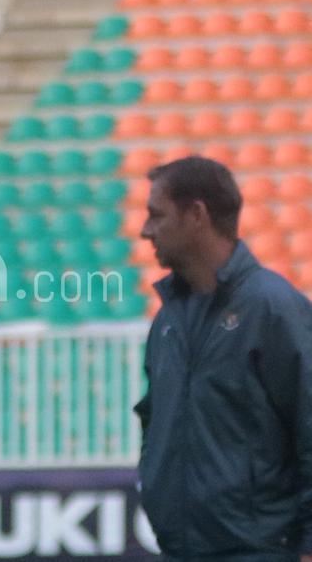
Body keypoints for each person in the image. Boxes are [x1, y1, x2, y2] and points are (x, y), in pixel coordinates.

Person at [135, 156, 312, 561]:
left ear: (196, 215)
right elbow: (154, 417)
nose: (146, 230)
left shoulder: (274, 309)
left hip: (259, 551)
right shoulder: (167, 318)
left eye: (156, 215)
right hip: (180, 550)